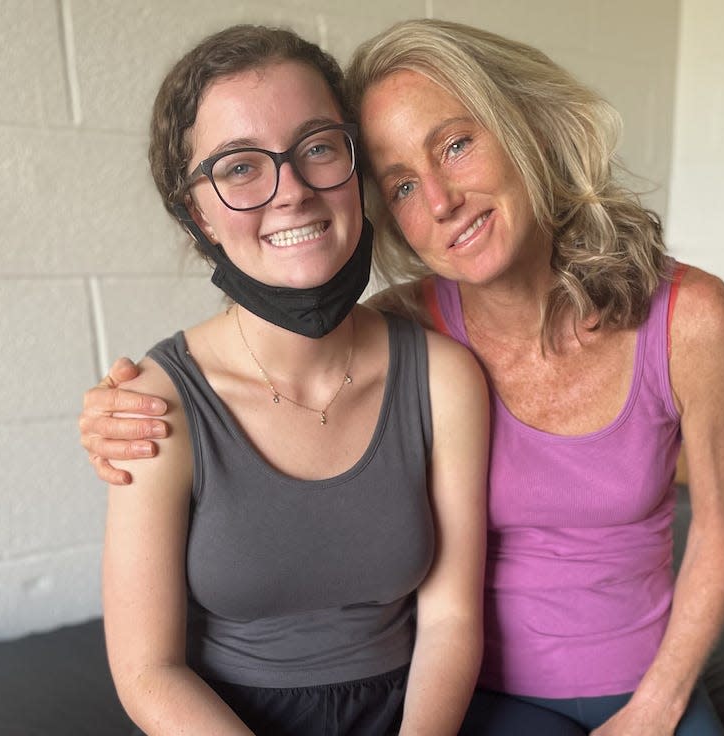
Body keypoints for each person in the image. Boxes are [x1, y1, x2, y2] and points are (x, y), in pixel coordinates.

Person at [82, 19, 724, 736]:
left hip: (606, 687)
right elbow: (294, 345)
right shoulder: (408, 332)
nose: (439, 201)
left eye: (456, 145)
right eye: (400, 184)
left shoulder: (681, 321)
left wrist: (660, 704)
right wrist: (112, 410)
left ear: (524, 127)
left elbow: (720, 522)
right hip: (481, 695)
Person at [97, 24, 489, 736]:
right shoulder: (155, 404)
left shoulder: (443, 378)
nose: (294, 192)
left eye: (316, 148)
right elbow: (147, 670)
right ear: (198, 214)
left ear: (354, 167)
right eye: (240, 167)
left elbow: (452, 618)